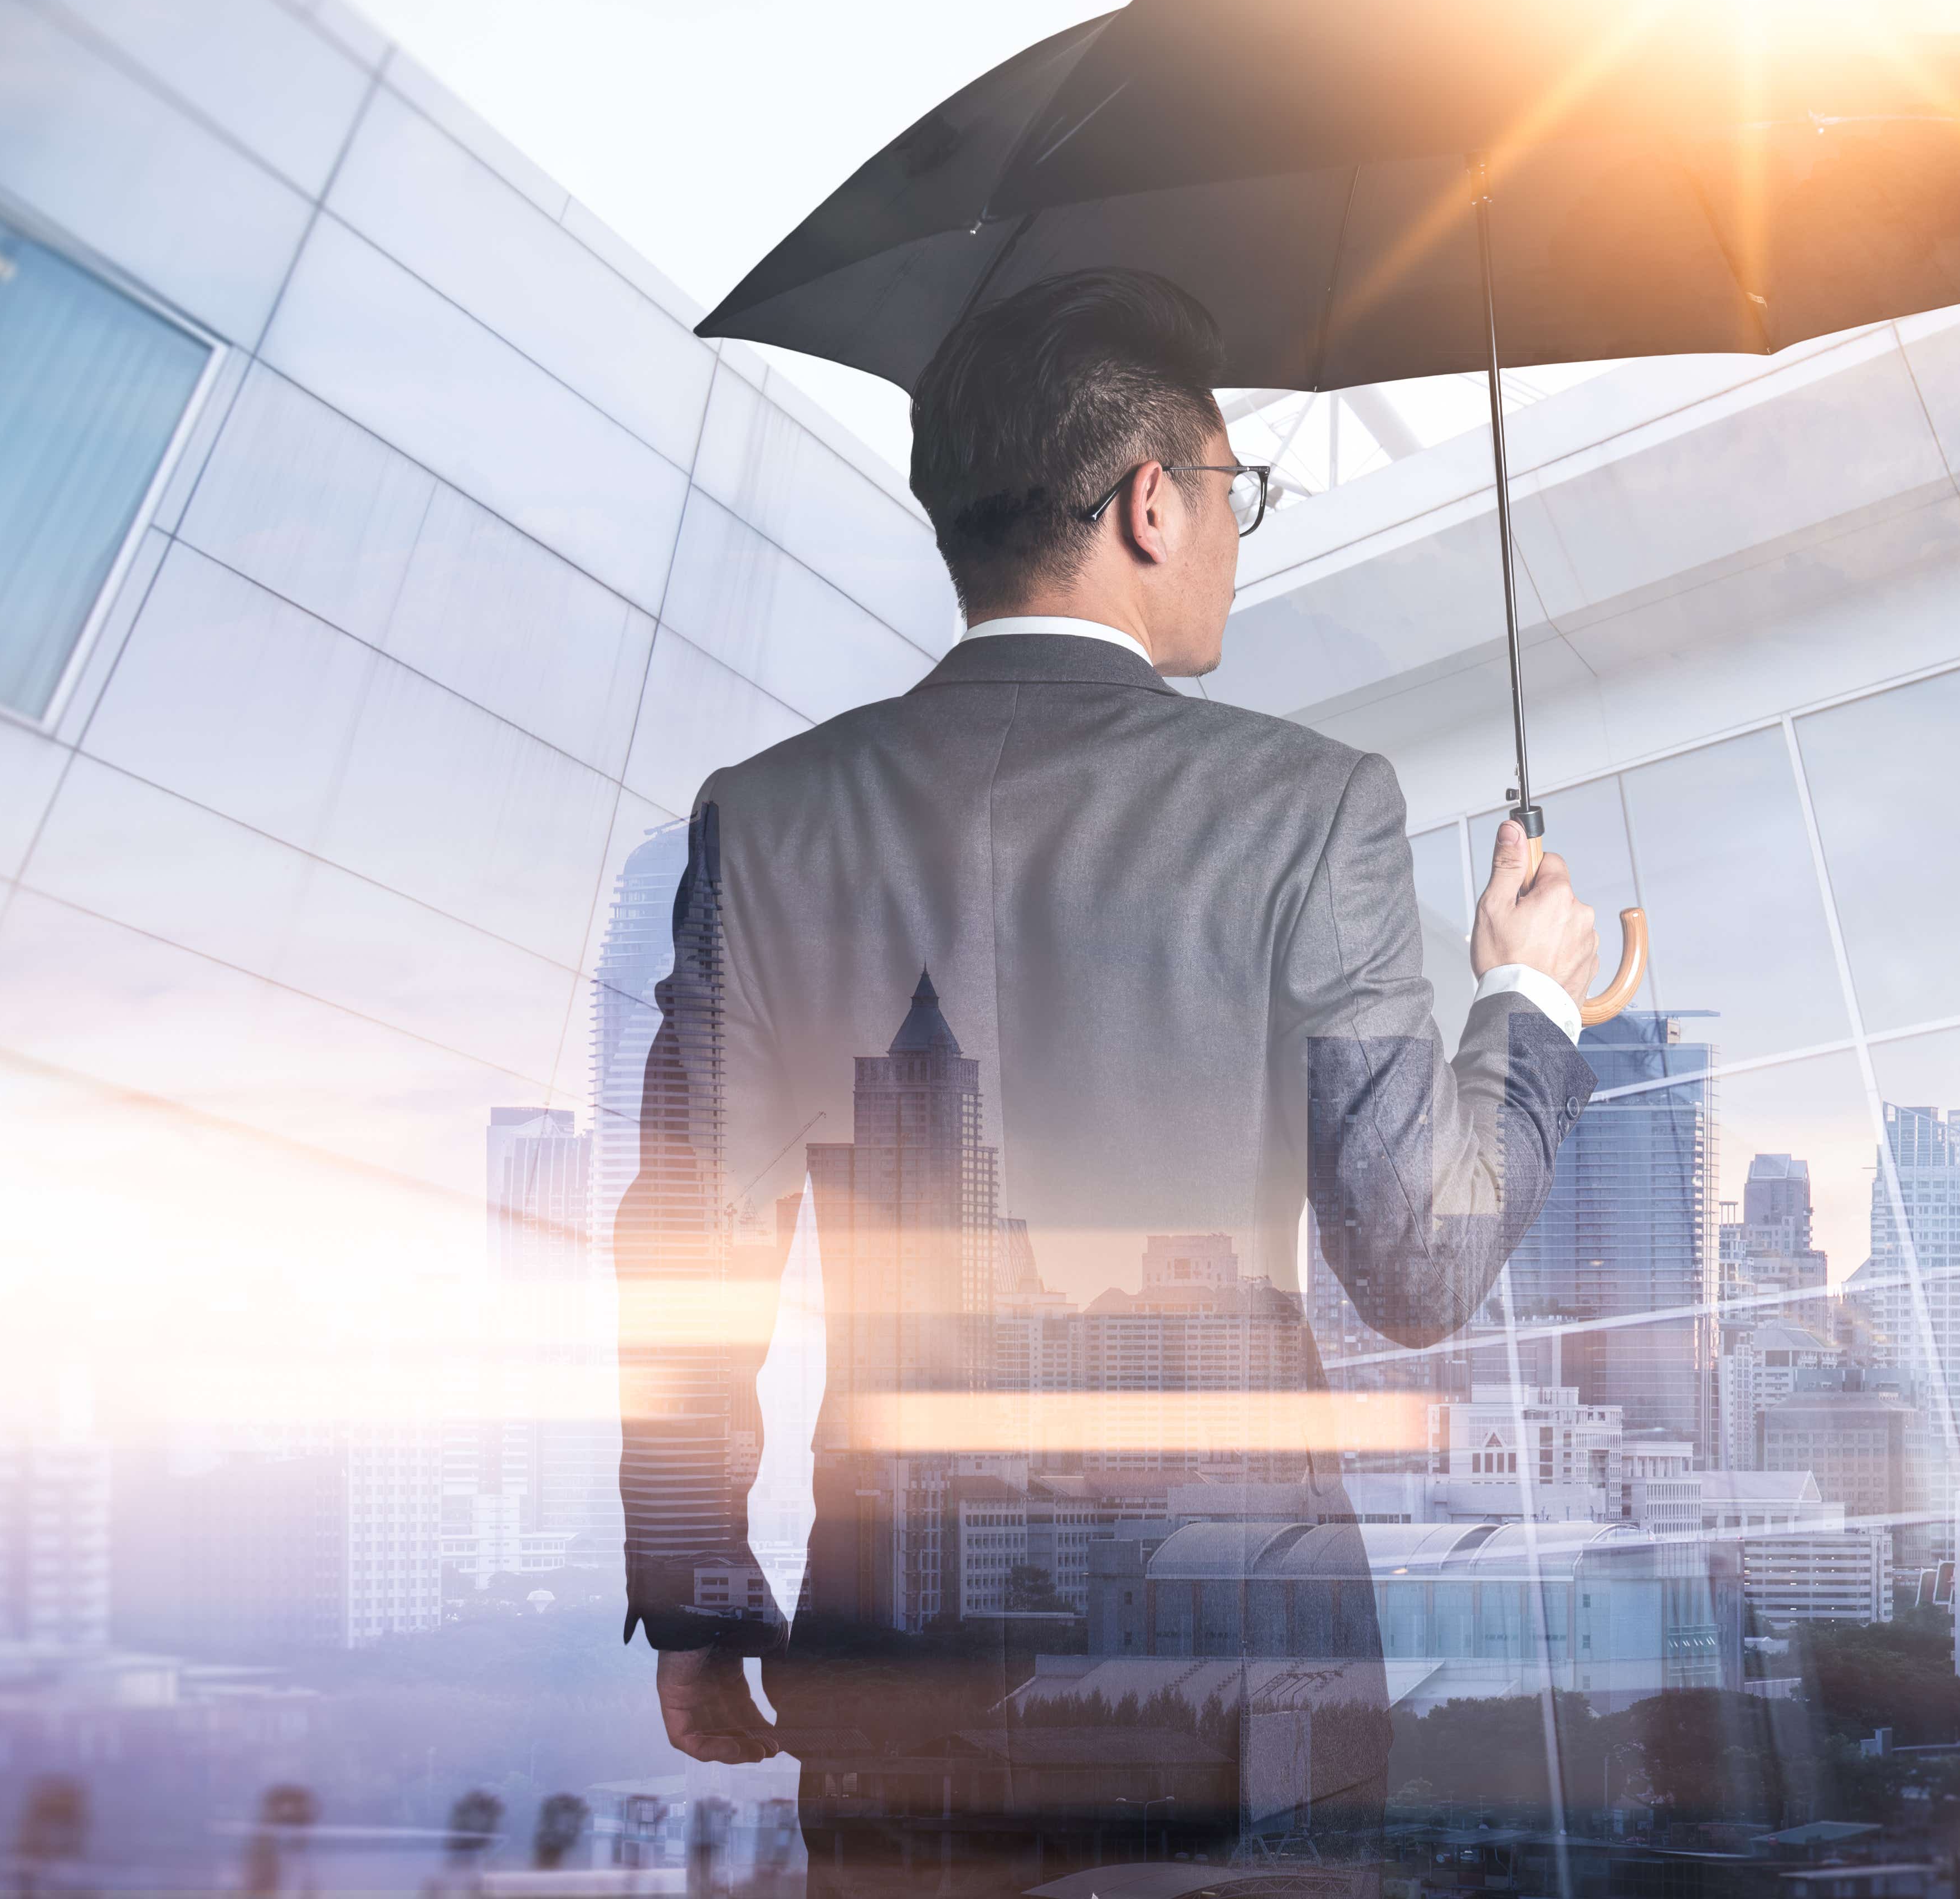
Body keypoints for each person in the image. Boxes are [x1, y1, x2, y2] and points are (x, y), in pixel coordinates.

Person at [618, 269, 1606, 1893]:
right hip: (1239, 1700)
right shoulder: (1310, 810)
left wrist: (699, 1592)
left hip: (892, 1654)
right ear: (1154, 502)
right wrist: (1525, 1002)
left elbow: (688, 1246)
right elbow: (1420, 1264)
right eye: (1239, 492)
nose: (1235, 528)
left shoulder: (766, 819)